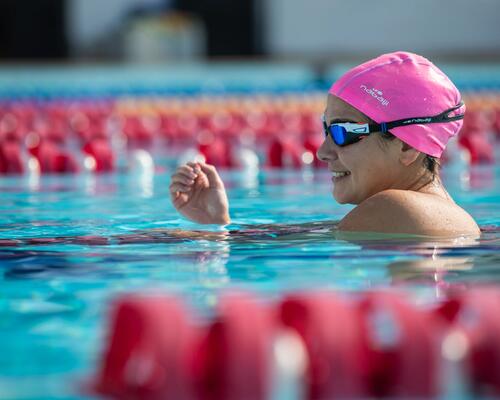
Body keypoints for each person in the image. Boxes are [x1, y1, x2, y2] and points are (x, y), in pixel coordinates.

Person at [169, 51, 480, 237]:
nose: (322, 151)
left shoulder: (398, 209)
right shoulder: (435, 217)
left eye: (344, 132)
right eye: (325, 129)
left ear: (408, 146)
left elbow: (291, 248)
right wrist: (218, 226)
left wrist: (211, 237)